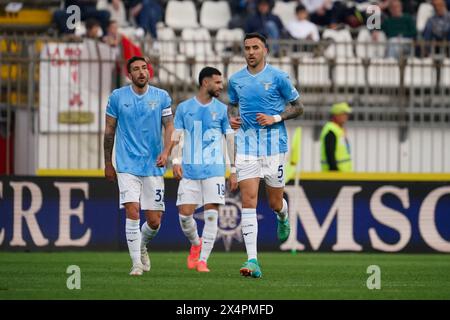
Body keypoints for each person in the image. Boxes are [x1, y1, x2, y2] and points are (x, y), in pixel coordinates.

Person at [227, 32, 304, 278]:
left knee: (274, 203)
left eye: (255, 48)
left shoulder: (278, 77)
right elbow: (232, 104)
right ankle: (252, 261)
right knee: (248, 201)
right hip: (247, 147)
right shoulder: (235, 80)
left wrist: (276, 118)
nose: (250, 52)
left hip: (274, 147)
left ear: (265, 50)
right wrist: (232, 117)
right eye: (247, 48)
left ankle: (283, 216)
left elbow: (299, 107)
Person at [104, 56, 174, 276]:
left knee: (154, 221)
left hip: (153, 164)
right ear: (129, 75)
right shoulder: (117, 97)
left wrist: (166, 152)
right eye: (136, 69)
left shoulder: (162, 97)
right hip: (126, 164)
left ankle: (142, 245)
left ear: (149, 72)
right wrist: (108, 162)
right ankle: (136, 263)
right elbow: (109, 131)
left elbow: (170, 127)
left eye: (144, 68)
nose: (141, 72)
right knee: (132, 210)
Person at [171, 67, 237, 273]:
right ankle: (196, 244)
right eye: (217, 82)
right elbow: (177, 136)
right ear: (205, 82)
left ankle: (203, 261)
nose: (221, 86)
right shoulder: (184, 108)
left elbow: (230, 139)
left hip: (214, 171)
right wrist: (176, 160)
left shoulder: (222, 108)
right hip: (190, 170)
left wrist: (233, 169)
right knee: (184, 215)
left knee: (211, 216)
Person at [319, 102, 353, 172]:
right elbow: (330, 153)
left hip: (342, 174)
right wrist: (334, 171)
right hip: (335, 174)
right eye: (344, 114)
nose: (346, 116)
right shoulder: (331, 131)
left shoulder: (339, 129)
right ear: (336, 115)